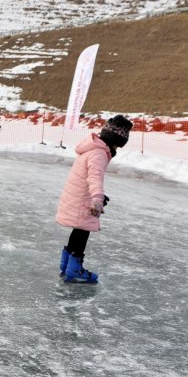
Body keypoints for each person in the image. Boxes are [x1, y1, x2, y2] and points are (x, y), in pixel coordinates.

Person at [56, 115, 133, 283]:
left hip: (79, 194)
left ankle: (67, 265)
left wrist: (97, 195)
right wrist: (97, 197)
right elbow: (95, 177)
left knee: (79, 229)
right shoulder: (99, 153)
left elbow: (89, 177)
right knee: (82, 231)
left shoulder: (94, 148)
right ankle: (74, 269)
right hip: (84, 198)